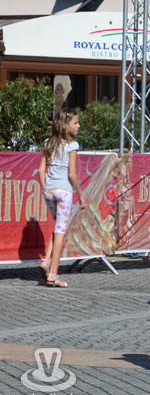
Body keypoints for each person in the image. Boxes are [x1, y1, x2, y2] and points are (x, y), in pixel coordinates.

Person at [37, 108, 84, 288]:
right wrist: (81, 194)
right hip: (63, 191)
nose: (78, 126)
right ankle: (53, 273)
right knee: (61, 231)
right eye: (75, 123)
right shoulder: (72, 145)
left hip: (49, 191)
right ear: (65, 126)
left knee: (58, 227)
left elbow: (41, 169)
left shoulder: (48, 143)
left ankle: (46, 261)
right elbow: (72, 174)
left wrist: (45, 187)